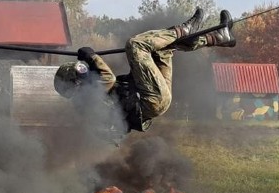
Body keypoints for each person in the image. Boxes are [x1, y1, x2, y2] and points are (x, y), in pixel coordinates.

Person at [54, 8, 236, 132]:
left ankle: (219, 37)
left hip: (153, 102)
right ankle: (184, 30)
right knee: (136, 45)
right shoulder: (86, 98)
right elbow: (108, 79)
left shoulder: (83, 103)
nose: (83, 73)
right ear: (73, 83)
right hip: (151, 99)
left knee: (163, 47)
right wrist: (91, 57)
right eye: (78, 73)